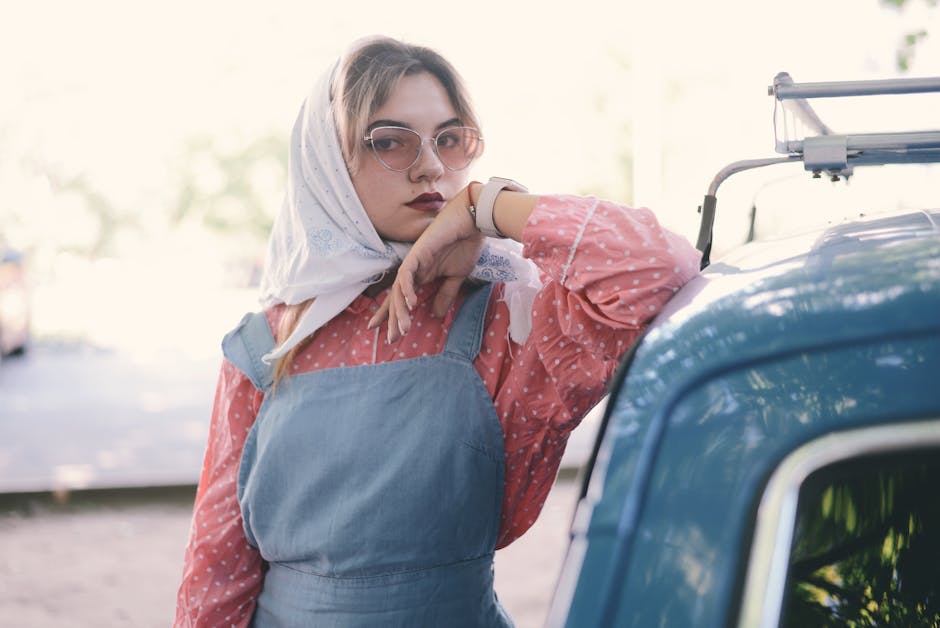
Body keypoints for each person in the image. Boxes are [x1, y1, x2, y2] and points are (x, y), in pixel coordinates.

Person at [174, 35, 700, 627]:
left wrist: (487, 207)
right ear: (327, 163)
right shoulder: (268, 346)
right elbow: (215, 574)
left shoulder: (510, 320)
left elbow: (662, 267)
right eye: (390, 141)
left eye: (450, 140)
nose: (430, 166)